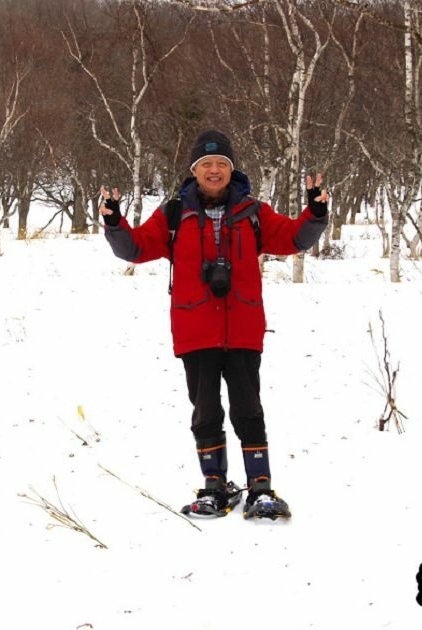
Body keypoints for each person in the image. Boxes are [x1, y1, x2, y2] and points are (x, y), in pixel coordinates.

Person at [100, 130, 329, 519]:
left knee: (248, 409)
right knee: (205, 411)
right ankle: (214, 486)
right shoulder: (174, 214)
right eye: (206, 164)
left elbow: (293, 238)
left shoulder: (254, 212)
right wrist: (115, 223)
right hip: (196, 330)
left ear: (231, 169)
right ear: (194, 171)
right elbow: (135, 249)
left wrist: (316, 213)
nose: (214, 170)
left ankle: (260, 488)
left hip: (242, 328)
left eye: (221, 163)